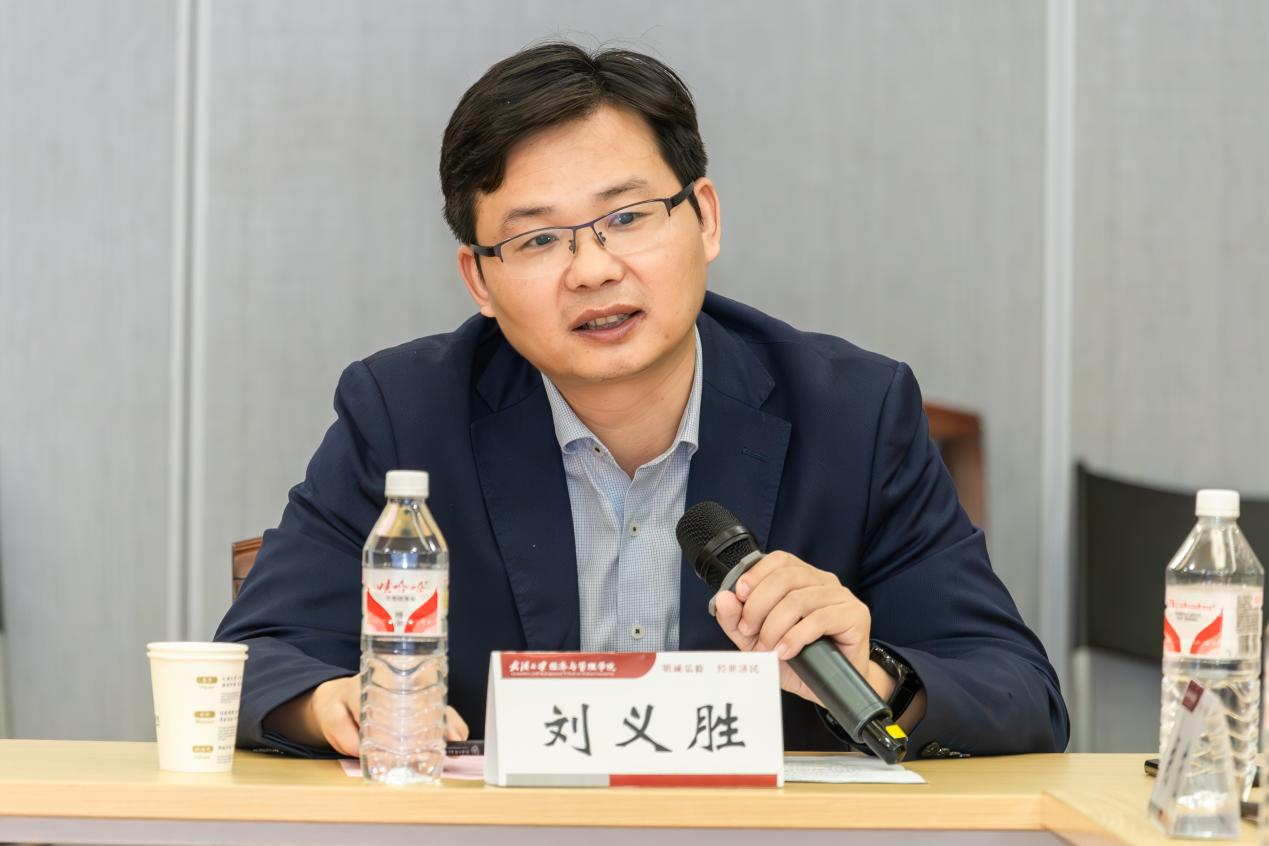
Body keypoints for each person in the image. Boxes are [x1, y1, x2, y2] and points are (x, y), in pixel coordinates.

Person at [215, 42, 1069, 759]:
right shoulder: (405, 413)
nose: (592, 269)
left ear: (705, 219)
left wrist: (872, 675)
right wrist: (339, 708)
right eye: (537, 239)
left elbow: (1016, 691)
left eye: (626, 218)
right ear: (478, 278)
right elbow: (259, 658)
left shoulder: (853, 413)